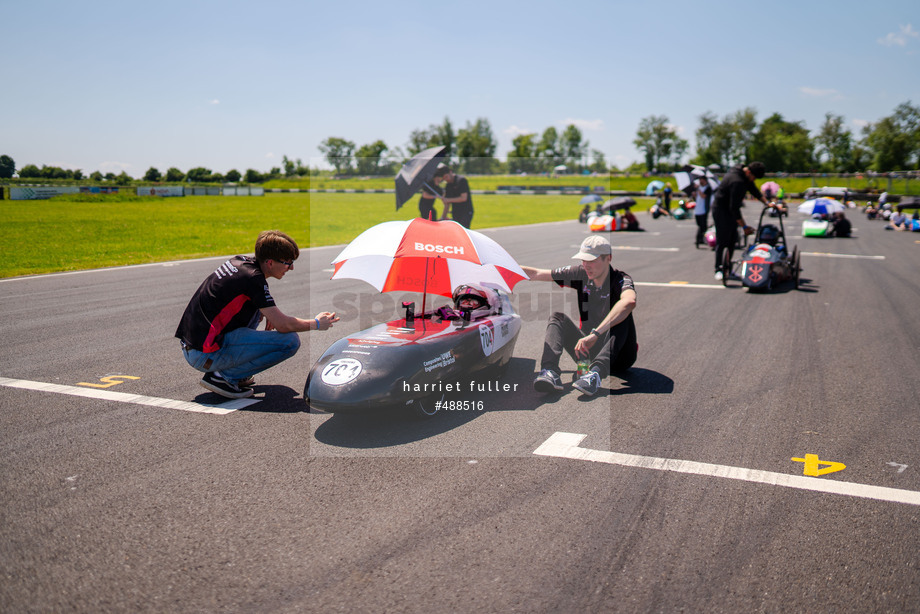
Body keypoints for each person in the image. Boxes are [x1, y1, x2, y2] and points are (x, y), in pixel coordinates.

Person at [175, 230, 339, 398]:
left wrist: (265, 312)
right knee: (289, 341)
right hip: (202, 354)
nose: (291, 267)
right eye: (287, 262)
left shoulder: (240, 261)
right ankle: (224, 376)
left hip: (193, 344)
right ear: (269, 262)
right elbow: (283, 325)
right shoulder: (254, 280)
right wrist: (317, 323)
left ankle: (232, 371)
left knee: (257, 311)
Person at [521, 236, 638, 397]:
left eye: (591, 260)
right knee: (557, 317)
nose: (586, 265)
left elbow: (629, 301)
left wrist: (595, 334)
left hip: (620, 356)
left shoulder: (621, 279)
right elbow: (536, 273)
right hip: (588, 351)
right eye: (583, 260)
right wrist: (498, 268)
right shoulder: (580, 273)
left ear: (608, 258)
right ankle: (550, 372)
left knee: (622, 313)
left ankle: (595, 374)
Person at [711, 161, 769, 280]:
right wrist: (744, 227)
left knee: (733, 239)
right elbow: (734, 208)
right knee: (722, 240)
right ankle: (719, 269)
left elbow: (754, 190)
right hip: (721, 210)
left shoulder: (744, 176)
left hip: (730, 210)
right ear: (748, 172)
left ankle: (728, 269)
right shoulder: (737, 181)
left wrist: (768, 203)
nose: (753, 180)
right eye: (753, 177)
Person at [434, 164, 474, 228]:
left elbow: (463, 198)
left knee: (463, 231)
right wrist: (442, 218)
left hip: (466, 211)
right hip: (455, 212)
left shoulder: (461, 180)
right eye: (444, 179)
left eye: (446, 177)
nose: (446, 180)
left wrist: (448, 200)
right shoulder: (448, 186)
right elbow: (447, 204)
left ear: (450, 172)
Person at [693, 176, 713, 248]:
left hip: (704, 210)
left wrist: (698, 190)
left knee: (702, 226)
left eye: (701, 180)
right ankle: (701, 239)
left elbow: (703, 196)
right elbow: (697, 198)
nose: (700, 181)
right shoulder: (698, 188)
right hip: (697, 210)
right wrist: (694, 195)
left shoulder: (708, 188)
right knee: (700, 225)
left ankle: (698, 239)